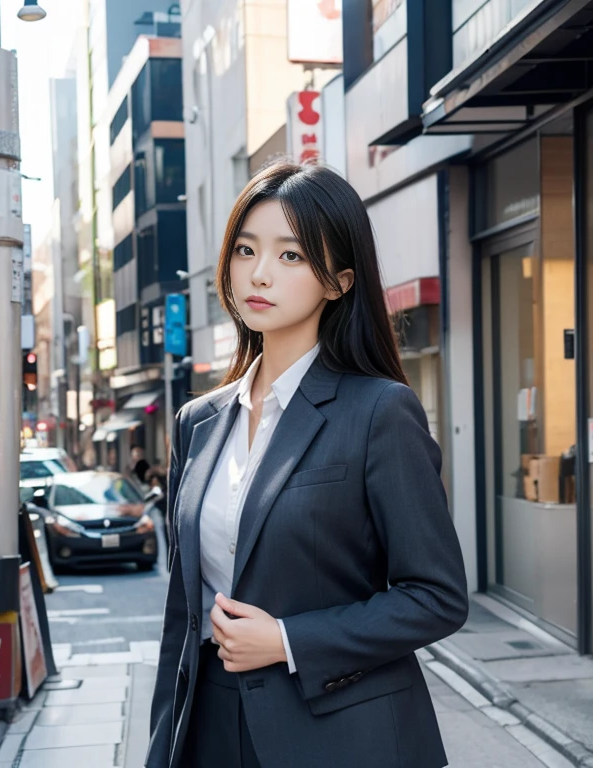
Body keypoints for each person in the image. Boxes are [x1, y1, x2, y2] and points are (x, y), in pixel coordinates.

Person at [147, 161, 468, 768]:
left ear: (339, 282)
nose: (259, 273)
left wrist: (288, 640)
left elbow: (437, 596)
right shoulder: (198, 423)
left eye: (290, 256)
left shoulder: (379, 412)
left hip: (343, 733)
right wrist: (164, 746)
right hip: (212, 726)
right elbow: (181, 620)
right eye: (245, 250)